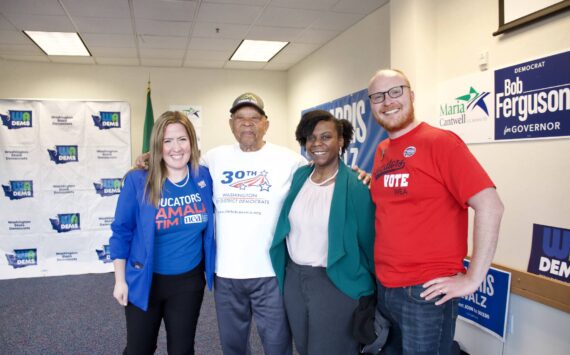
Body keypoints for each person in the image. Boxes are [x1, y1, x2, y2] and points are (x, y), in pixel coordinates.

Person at [367, 69, 504, 355]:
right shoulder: (382, 150)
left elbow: (490, 205)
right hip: (385, 287)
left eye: (396, 91)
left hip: (425, 293)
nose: (388, 101)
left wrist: (473, 278)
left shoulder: (441, 142)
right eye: (378, 96)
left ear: (411, 95)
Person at [205, 93, 306, 355]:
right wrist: (147, 162)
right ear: (231, 124)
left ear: (266, 124)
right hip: (226, 274)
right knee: (233, 346)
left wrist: (358, 175)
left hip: (270, 273)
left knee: (277, 345)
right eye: (240, 119)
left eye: (254, 118)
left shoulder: (290, 160)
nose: (247, 124)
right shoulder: (213, 159)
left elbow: (324, 177)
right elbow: (176, 167)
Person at [269, 110, 376, 355]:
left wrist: (372, 292)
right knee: (304, 347)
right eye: (311, 138)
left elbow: (369, 242)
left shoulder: (356, 185)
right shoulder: (300, 176)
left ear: (341, 142)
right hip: (295, 279)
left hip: (336, 281)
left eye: (326, 137)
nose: (317, 144)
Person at [110, 111, 215, 355]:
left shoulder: (204, 177)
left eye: (182, 139)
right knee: (139, 349)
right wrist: (119, 280)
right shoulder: (138, 180)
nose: (176, 148)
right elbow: (121, 231)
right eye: (167, 141)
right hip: (145, 280)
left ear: (192, 142)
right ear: (158, 145)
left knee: (182, 350)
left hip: (188, 282)